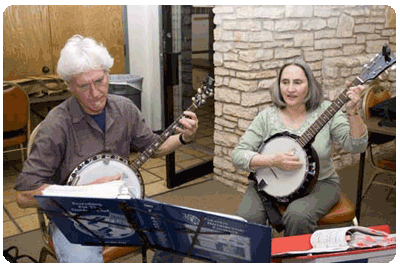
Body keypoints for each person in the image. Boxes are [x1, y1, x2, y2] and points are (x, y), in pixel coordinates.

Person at [14, 35, 199, 263]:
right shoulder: (55, 125)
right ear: (70, 86)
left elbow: (154, 147)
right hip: (73, 216)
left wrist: (183, 138)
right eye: (83, 86)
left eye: (99, 81)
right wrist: (85, 193)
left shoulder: (125, 108)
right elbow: (23, 196)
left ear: (108, 75)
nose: (95, 93)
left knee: (177, 231)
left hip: (123, 205)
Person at [232, 57, 368, 237]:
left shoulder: (327, 111)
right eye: (285, 82)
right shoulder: (267, 116)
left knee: (297, 217)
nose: (290, 89)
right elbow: (238, 155)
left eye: (298, 82)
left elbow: (356, 146)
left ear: (309, 86)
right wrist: (272, 160)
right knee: (247, 219)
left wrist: (352, 112)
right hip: (269, 180)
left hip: (320, 182)